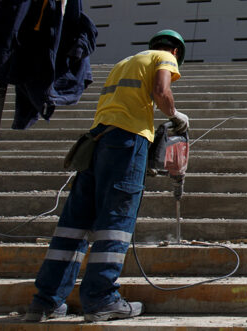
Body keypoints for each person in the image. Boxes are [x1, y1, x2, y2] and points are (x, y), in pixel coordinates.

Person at [25, 29, 191, 323]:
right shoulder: (165, 57)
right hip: (126, 141)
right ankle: (102, 299)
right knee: (116, 218)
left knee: (74, 224)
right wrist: (175, 115)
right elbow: (161, 91)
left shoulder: (125, 62)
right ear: (176, 51)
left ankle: (45, 302)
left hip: (97, 140)